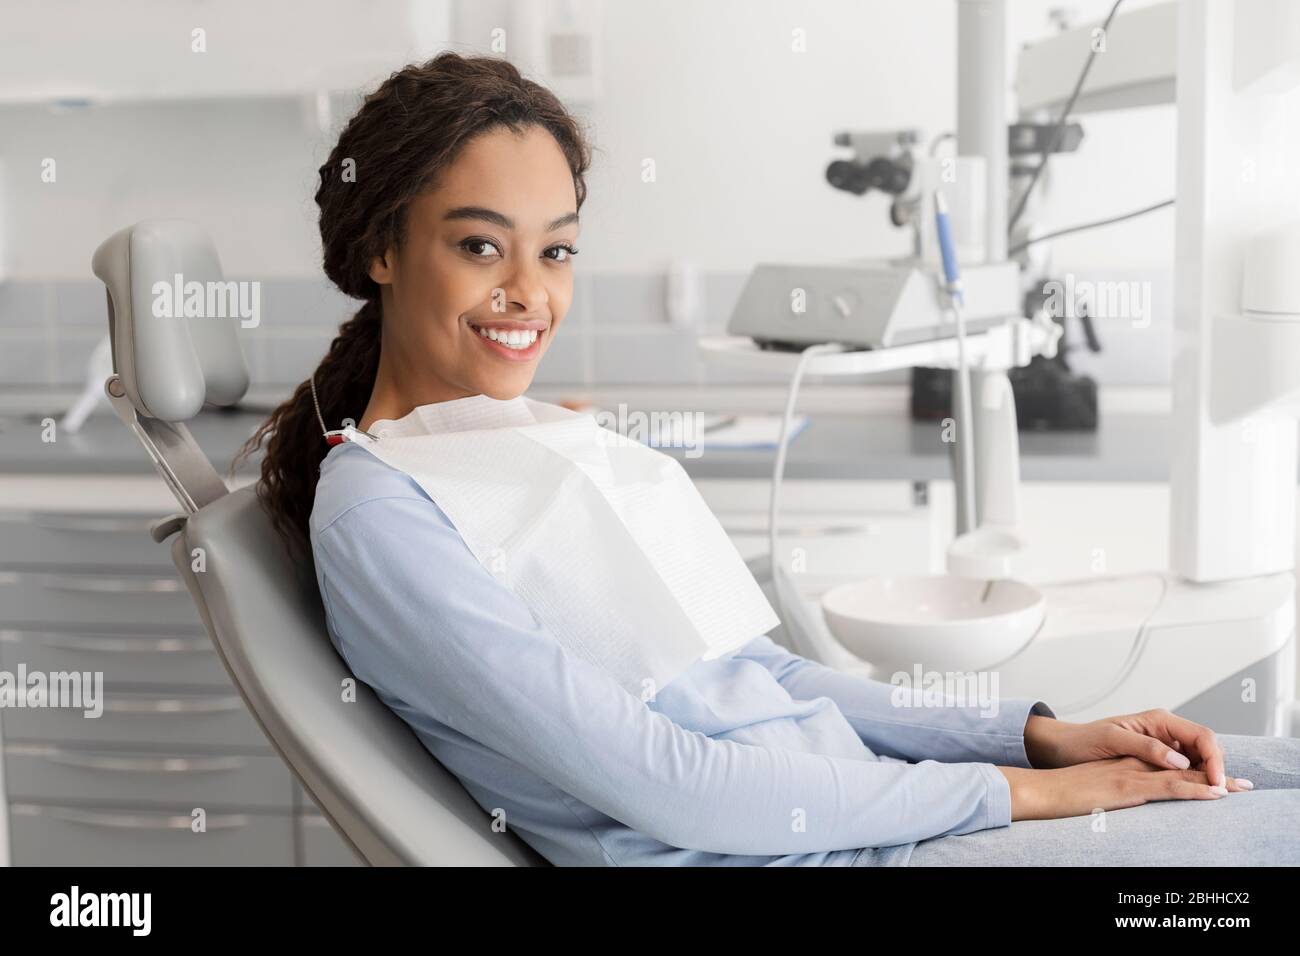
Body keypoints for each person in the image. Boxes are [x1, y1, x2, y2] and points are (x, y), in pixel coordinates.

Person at [237, 52, 1300, 867]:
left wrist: (1035, 736)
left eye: (554, 248)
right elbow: (673, 784)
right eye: (479, 245)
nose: (529, 291)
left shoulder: (506, 444)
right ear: (381, 248)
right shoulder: (383, 518)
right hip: (830, 848)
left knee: (1266, 763)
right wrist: (1019, 793)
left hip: (870, 806)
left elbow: (762, 674)